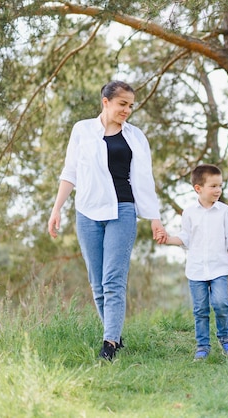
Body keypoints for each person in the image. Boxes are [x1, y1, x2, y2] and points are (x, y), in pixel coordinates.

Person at [48, 80, 167, 362]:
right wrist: (56, 209)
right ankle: (114, 332)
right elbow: (70, 172)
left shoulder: (135, 137)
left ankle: (109, 343)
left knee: (113, 280)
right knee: (97, 283)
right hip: (87, 212)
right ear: (106, 101)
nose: (127, 110)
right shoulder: (82, 130)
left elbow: (145, 180)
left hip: (122, 210)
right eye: (122, 104)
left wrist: (155, 219)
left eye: (130, 106)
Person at [162, 164, 228, 360]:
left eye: (220, 186)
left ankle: (224, 337)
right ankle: (203, 346)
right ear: (198, 188)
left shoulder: (225, 212)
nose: (218, 190)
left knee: (221, 303)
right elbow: (185, 238)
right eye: (213, 186)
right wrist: (168, 239)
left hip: (219, 268)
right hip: (196, 270)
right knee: (200, 310)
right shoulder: (189, 213)